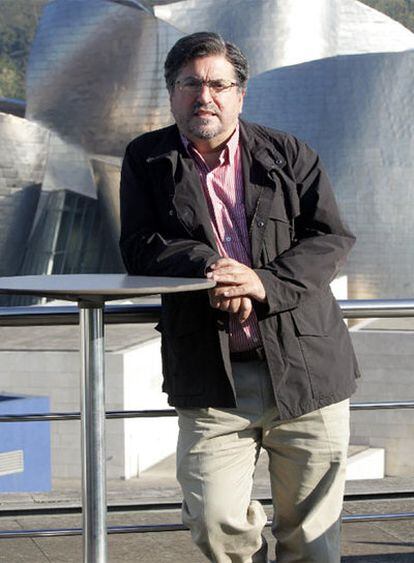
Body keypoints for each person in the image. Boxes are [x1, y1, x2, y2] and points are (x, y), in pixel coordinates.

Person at [119, 31, 360, 563]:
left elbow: (331, 238)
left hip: (307, 370)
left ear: (239, 94)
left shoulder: (288, 153)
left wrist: (263, 284)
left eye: (217, 84)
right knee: (214, 521)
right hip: (211, 374)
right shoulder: (146, 158)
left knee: (313, 541)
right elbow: (139, 245)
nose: (204, 96)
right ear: (171, 91)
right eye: (190, 83)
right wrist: (212, 269)